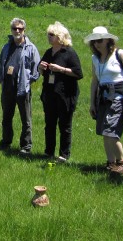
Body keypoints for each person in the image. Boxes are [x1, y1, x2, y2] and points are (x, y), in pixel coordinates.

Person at [86, 27, 123, 176]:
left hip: (119, 96)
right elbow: (94, 81)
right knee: (104, 130)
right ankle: (111, 163)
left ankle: (122, 162)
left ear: (109, 40)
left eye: (100, 40)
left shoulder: (119, 54)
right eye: (94, 41)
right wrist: (92, 103)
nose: (97, 44)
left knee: (111, 130)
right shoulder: (95, 59)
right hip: (102, 96)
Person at [38, 22, 83, 162]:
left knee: (64, 126)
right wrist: (40, 67)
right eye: (48, 34)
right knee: (49, 124)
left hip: (65, 94)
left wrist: (61, 69)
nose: (49, 37)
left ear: (60, 37)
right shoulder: (48, 52)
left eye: (52, 35)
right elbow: (40, 71)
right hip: (49, 93)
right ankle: (48, 152)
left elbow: (78, 73)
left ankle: (64, 155)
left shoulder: (69, 52)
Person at [0, 18, 40, 154]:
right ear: (11, 30)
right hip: (7, 88)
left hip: (22, 89)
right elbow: (0, 64)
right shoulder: (6, 47)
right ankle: (5, 142)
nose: (17, 31)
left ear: (24, 30)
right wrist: (1, 79)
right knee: (6, 118)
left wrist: (28, 81)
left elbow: (37, 68)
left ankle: (26, 146)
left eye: (20, 29)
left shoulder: (30, 48)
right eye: (14, 28)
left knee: (25, 120)